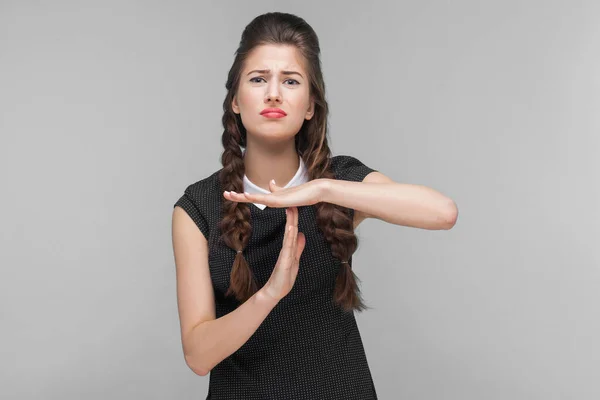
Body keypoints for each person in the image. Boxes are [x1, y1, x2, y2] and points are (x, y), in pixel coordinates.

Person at [171, 11, 458, 400]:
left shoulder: (338, 182)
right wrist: (271, 292)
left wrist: (322, 188)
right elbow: (198, 354)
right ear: (236, 100)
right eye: (259, 79)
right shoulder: (198, 207)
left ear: (310, 105)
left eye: (290, 81)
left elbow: (442, 212)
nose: (274, 93)